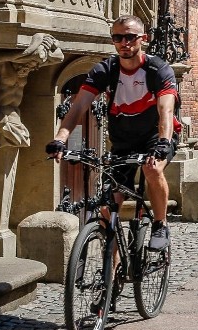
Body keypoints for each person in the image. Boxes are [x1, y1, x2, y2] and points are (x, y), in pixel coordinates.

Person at [46, 15, 177, 250]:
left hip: (154, 137)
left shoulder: (158, 69)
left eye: (129, 37)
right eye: (117, 37)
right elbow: (77, 108)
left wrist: (164, 142)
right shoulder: (105, 70)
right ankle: (112, 273)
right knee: (107, 209)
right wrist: (60, 138)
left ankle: (160, 223)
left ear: (143, 39)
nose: (123, 43)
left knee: (152, 168)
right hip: (122, 141)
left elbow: (166, 109)